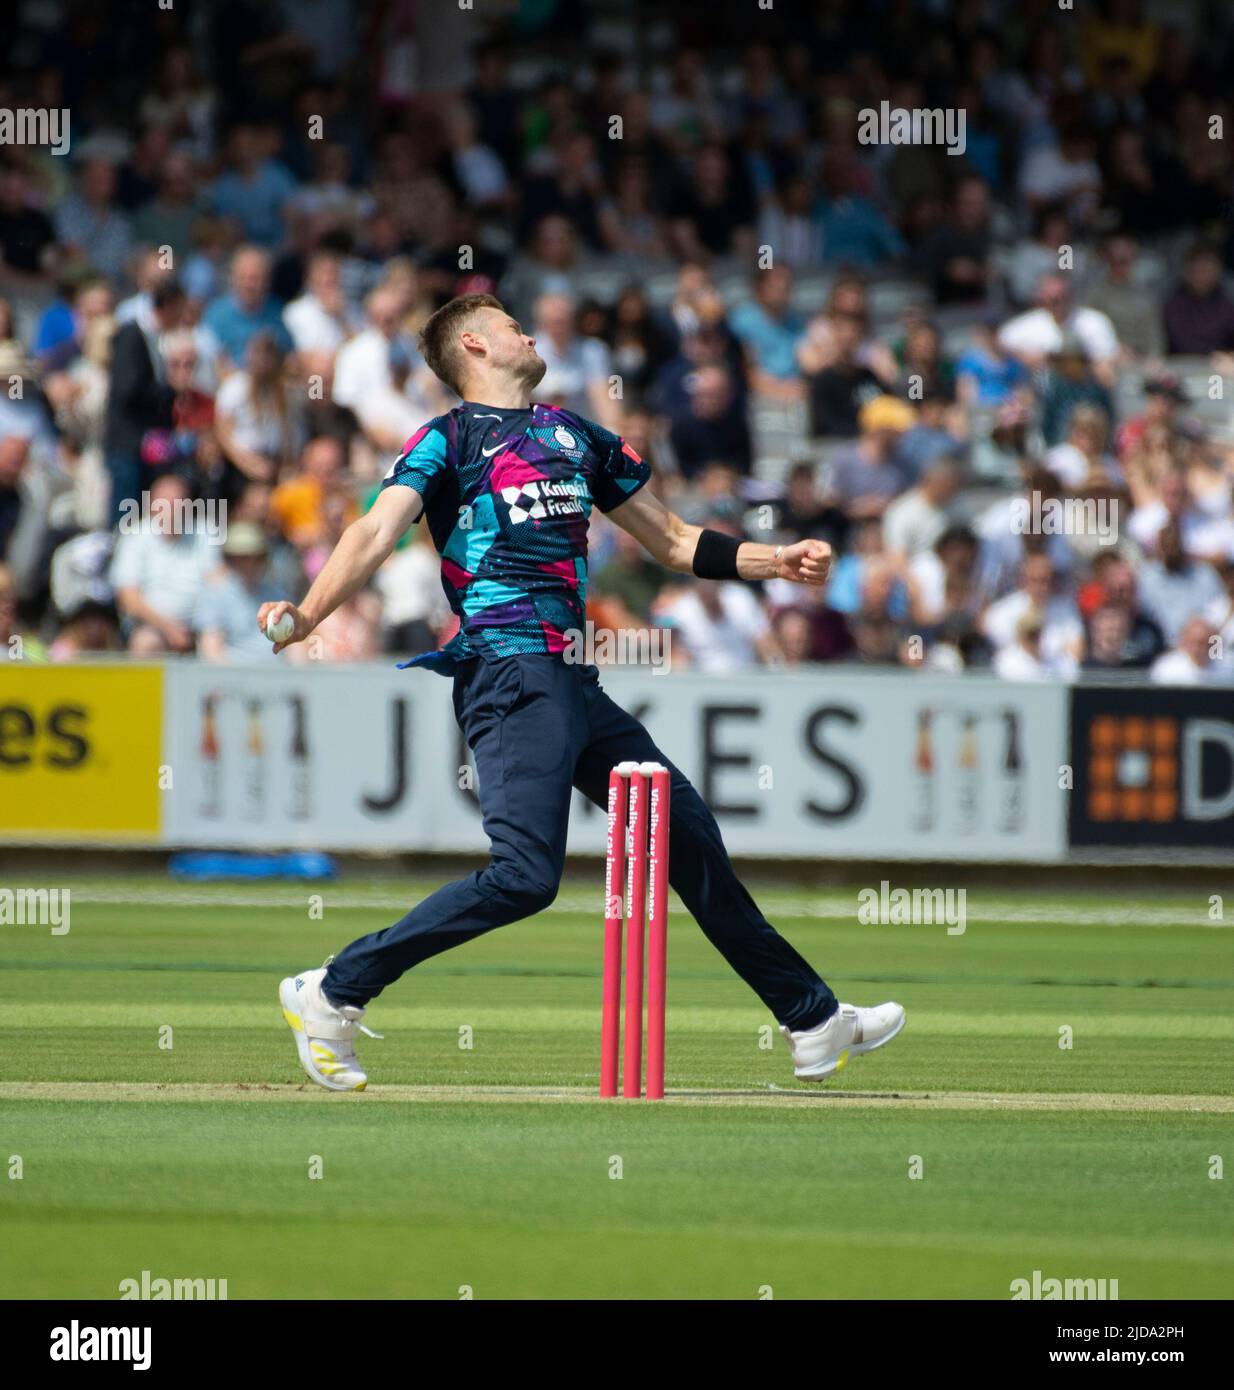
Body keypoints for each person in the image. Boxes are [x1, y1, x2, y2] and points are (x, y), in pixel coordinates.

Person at [263, 292, 904, 1091]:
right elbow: (373, 530)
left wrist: (775, 561)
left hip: (569, 675)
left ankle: (811, 1020)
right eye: (509, 325)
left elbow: (672, 540)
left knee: (688, 837)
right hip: (507, 668)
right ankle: (330, 990)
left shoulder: (573, 434)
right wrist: (307, 612)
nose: (529, 331)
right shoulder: (448, 439)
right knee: (525, 878)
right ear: (474, 345)